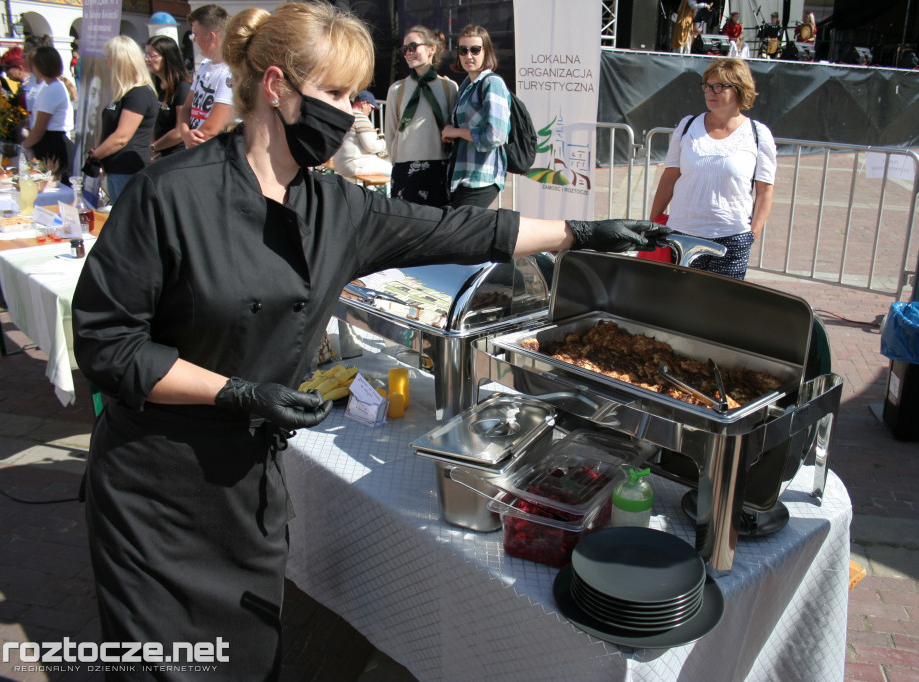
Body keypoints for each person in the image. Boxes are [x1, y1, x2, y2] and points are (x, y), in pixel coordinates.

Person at [71, 5, 669, 680]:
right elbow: (106, 344)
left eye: (356, 95)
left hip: (247, 498)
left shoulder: (335, 207)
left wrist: (580, 235)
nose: (352, 112)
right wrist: (237, 392)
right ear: (276, 85)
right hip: (155, 494)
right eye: (335, 94)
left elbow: (464, 232)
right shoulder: (169, 195)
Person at [647, 58, 775, 280]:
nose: (710, 92)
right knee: (677, 303)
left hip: (731, 239)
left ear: (739, 89)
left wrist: (752, 233)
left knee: (719, 308)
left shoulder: (758, 134)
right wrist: (653, 221)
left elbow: (765, 191)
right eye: (707, 85)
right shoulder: (687, 126)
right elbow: (669, 177)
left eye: (719, 86)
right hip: (681, 234)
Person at [384, 25, 457, 206]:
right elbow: (390, 132)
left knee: (438, 228)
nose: (409, 52)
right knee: (405, 228)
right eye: (405, 49)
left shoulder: (449, 87)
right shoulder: (397, 89)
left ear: (431, 49)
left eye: (413, 46)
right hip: (404, 167)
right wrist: (396, 160)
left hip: (438, 167)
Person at [441, 25, 508, 209]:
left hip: (482, 178)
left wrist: (456, 132)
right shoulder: (466, 85)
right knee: (466, 234)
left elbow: (495, 136)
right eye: (463, 50)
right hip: (462, 176)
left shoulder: (492, 83)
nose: (468, 56)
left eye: (475, 50)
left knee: (462, 234)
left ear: (486, 52)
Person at [87, 36, 159, 201]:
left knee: (127, 219)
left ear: (121, 61)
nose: (108, 64)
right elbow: (108, 129)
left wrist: (95, 156)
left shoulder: (139, 94)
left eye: (110, 59)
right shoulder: (124, 94)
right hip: (115, 168)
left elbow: (121, 137)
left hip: (127, 169)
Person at [179, 4, 235, 149]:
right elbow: (186, 108)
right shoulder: (204, 65)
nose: (194, 40)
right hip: (195, 148)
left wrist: (189, 145)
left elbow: (212, 129)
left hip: (214, 152)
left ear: (211, 37)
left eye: (196, 35)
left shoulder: (231, 71)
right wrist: (185, 133)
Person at [20, 46, 74, 185]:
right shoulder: (51, 86)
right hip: (51, 140)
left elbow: (39, 128)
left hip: (52, 143)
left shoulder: (52, 89)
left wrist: (25, 145)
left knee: (53, 185)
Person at [145, 35, 193, 158]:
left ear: (167, 57)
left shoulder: (183, 86)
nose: (147, 59)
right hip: (159, 155)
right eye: (146, 55)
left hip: (176, 156)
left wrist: (153, 148)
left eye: (152, 55)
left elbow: (179, 131)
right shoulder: (154, 85)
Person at [331, 89, 391, 179]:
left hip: (339, 163)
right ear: (364, 104)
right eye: (371, 107)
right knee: (392, 170)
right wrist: (384, 143)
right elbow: (372, 146)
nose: (371, 110)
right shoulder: (360, 118)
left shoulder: (345, 116)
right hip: (354, 164)